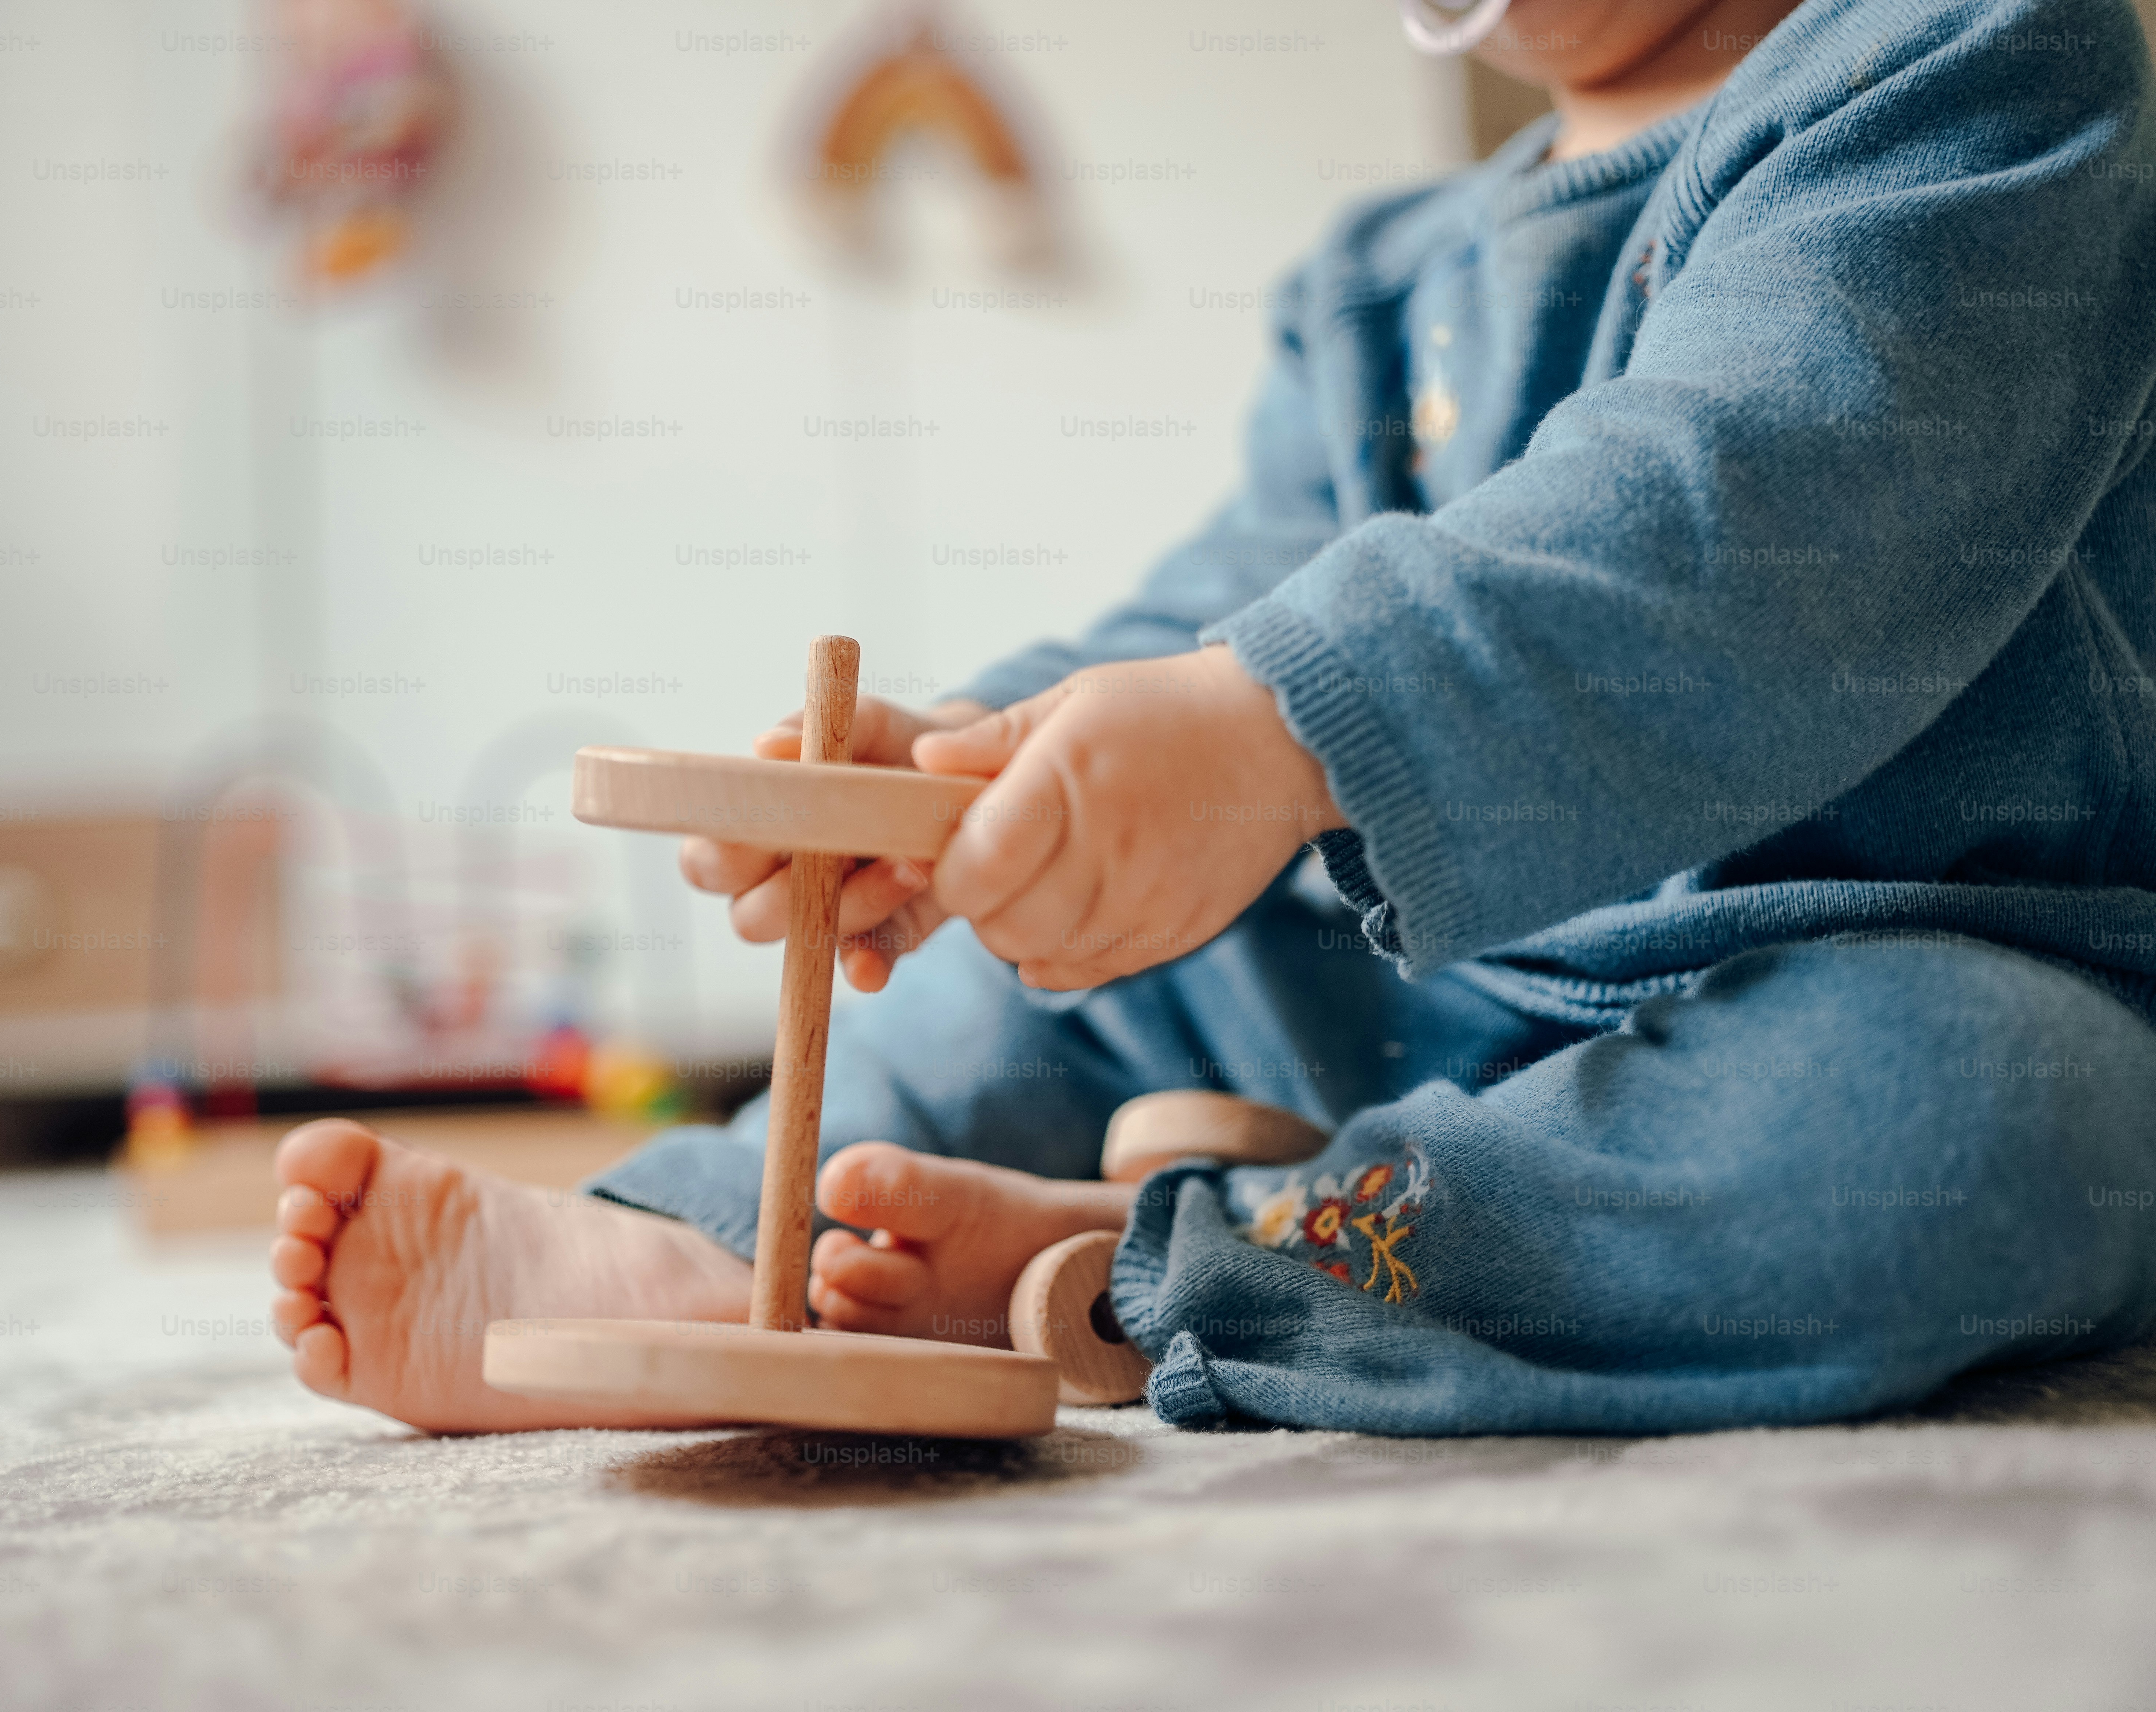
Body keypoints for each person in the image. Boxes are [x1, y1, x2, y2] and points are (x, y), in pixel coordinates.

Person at [267, 0, 2156, 1435]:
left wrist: (1273, 725)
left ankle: (1179, 1261)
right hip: (1425, 977)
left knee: (1982, 1129)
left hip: (1899, 953)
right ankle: (700, 1243)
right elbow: (1215, 614)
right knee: (1010, 964)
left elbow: (1757, 511)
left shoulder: (1978, 66)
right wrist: (982, 772)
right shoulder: (1378, 282)